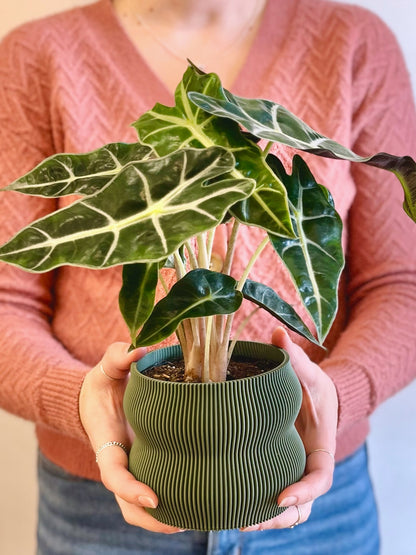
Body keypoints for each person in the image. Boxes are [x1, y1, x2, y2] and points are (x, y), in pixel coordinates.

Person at [0, 0, 415, 553]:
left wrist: (334, 400)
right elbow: (6, 299)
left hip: (314, 500)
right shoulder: (36, 54)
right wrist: (83, 404)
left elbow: (400, 285)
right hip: (99, 505)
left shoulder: (353, 41)